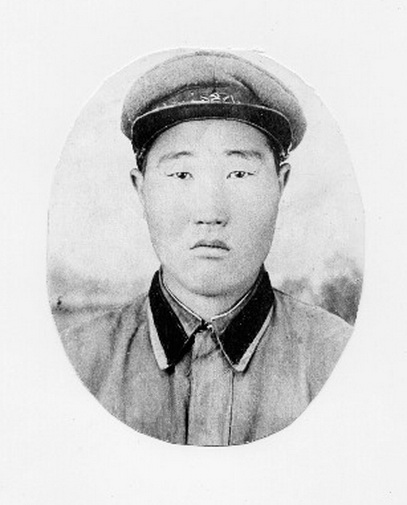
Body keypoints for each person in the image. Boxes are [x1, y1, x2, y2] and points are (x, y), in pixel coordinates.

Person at [61, 50, 352, 446]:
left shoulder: (342, 359)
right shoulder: (75, 363)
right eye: (182, 173)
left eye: (239, 173)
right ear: (141, 189)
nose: (210, 212)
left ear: (280, 185)